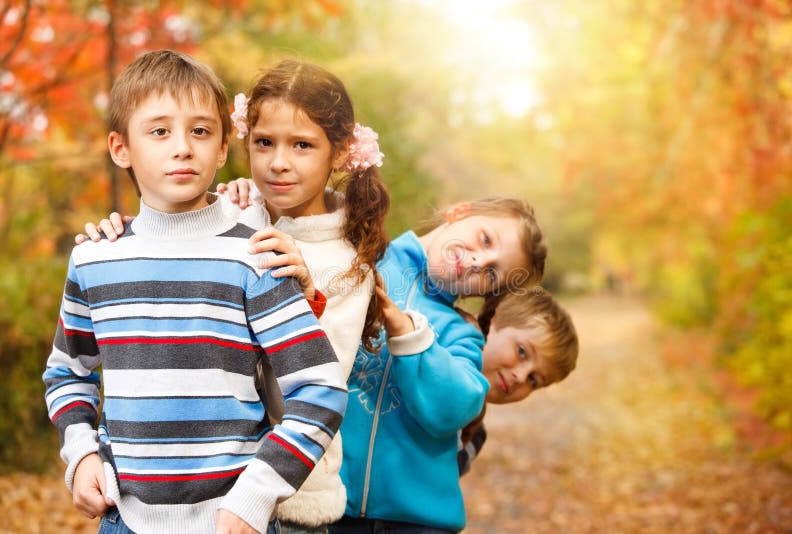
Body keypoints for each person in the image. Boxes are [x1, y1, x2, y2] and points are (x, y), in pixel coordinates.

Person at [76, 59, 389, 534]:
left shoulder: (341, 266)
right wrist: (123, 236)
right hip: (160, 498)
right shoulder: (237, 214)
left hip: (286, 497)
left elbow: (304, 391)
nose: (278, 162)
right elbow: (173, 230)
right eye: (264, 143)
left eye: (302, 145)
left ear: (340, 152)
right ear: (241, 145)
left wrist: (304, 296)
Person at [331, 197, 547, 534]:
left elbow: (453, 409)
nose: (478, 261)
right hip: (328, 506)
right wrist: (252, 199)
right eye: (485, 239)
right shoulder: (357, 259)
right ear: (459, 212)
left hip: (416, 524)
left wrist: (411, 337)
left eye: (491, 273)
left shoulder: (462, 334)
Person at [457, 286, 580, 475]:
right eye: (521, 352)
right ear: (490, 320)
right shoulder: (420, 346)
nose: (521, 376)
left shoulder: (473, 437)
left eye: (533, 379)